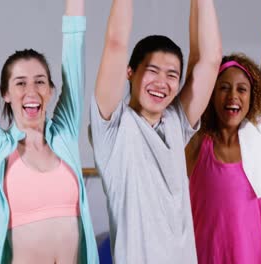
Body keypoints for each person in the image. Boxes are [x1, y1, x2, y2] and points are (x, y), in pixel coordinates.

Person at [89, 0, 222, 262]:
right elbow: (116, 43)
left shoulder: (176, 122)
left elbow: (209, 59)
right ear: (130, 72)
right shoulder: (113, 127)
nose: (162, 82)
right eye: (152, 71)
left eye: (172, 75)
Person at [186, 0, 261, 262]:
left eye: (241, 89)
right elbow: (195, 57)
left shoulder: (260, 139)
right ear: (211, 95)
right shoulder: (197, 142)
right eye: (223, 88)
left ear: (252, 96)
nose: (232, 96)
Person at [0, 0, 99, 262]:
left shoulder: (64, 133)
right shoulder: (0, 148)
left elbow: (74, 47)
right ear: (6, 94)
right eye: (20, 83)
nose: (31, 91)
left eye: (40, 81)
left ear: (51, 90)